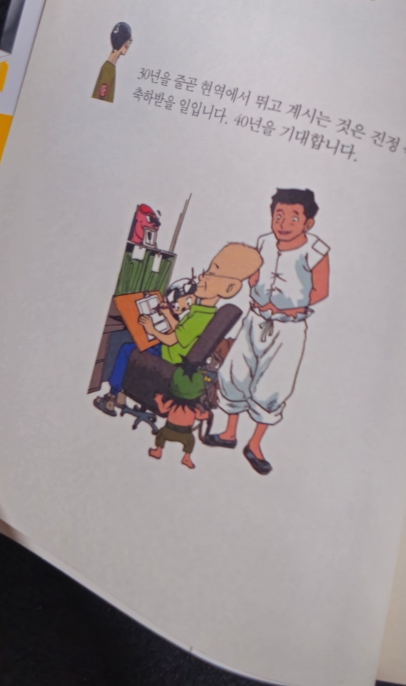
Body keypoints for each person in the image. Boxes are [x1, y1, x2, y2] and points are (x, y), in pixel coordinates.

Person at [206, 189, 330, 475]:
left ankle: (255, 444)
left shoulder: (315, 250)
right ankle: (229, 432)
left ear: (308, 223)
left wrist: (288, 306)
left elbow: (320, 289)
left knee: (273, 384)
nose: (284, 223)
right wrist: (251, 283)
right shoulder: (263, 242)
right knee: (235, 371)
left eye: (294, 218)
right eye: (278, 216)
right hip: (255, 318)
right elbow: (254, 271)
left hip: (287, 327)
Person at [93, 243, 261, 416]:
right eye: (206, 272)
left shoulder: (200, 317)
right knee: (136, 337)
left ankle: (112, 396)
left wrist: (152, 328)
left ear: (229, 288)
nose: (201, 277)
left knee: (126, 347)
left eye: (210, 274)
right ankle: (121, 394)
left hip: (169, 356)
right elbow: (181, 332)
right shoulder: (203, 312)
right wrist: (167, 315)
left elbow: (172, 339)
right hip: (174, 352)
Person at [148, 363, 212, 470]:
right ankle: (186, 457)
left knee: (161, 434)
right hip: (184, 434)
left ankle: (158, 450)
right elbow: (199, 416)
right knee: (190, 441)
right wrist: (205, 416)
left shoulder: (172, 402)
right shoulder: (193, 407)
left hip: (169, 431)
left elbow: (163, 410)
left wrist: (159, 401)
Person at [92, 22, 132, 103]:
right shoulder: (108, 69)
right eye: (130, 40)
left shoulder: (108, 67)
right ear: (124, 43)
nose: (130, 42)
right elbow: (101, 99)